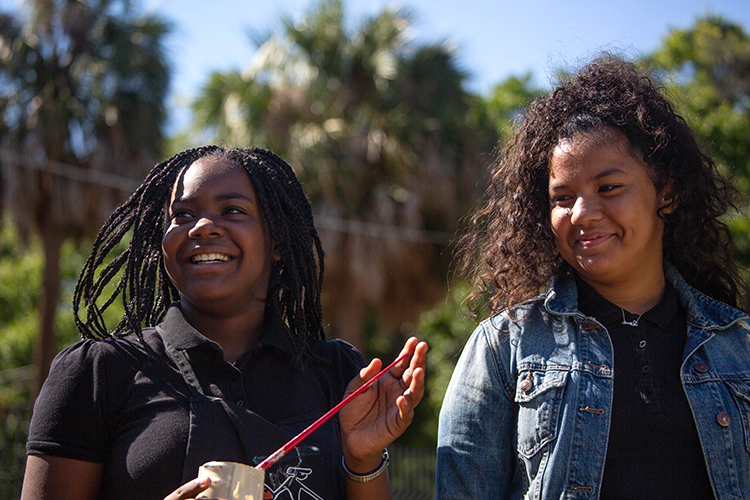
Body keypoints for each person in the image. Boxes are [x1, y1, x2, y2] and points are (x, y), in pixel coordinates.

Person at [20, 146, 428, 500]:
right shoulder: (97, 372)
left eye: (232, 210)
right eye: (182, 215)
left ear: (278, 243)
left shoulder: (334, 372)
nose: (202, 227)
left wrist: (362, 459)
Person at [436, 56, 750, 500]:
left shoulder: (739, 345)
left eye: (608, 188)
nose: (582, 214)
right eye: (563, 198)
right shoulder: (504, 347)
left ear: (668, 191)